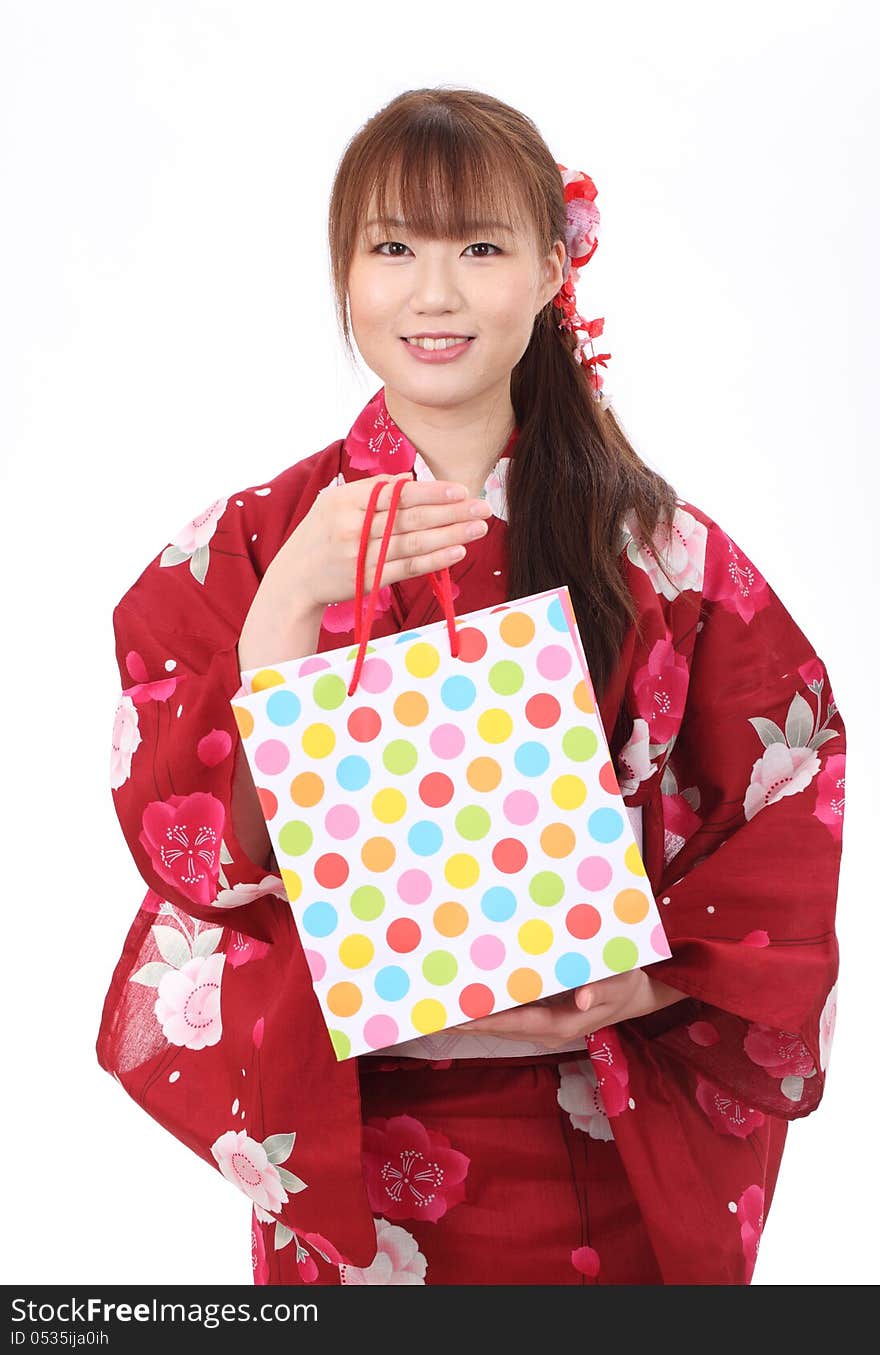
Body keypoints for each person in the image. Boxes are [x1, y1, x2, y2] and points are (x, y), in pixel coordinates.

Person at [99, 86, 846, 1286]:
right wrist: (285, 611)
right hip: (360, 1122)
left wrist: (635, 981)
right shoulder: (250, 546)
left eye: (479, 247)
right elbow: (190, 858)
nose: (431, 293)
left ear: (553, 269)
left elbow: (780, 804)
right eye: (391, 246)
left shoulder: (659, 550)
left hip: (593, 1131)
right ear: (343, 269)